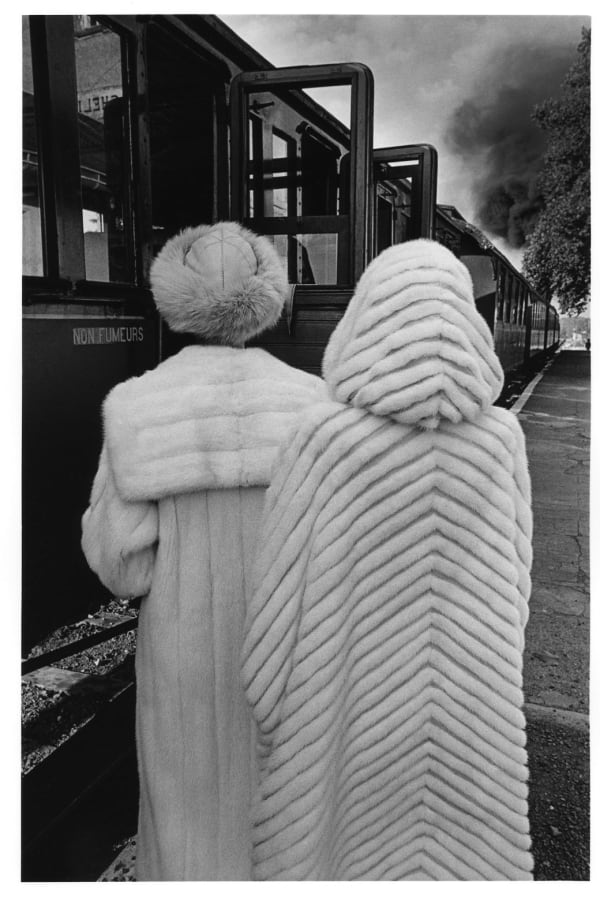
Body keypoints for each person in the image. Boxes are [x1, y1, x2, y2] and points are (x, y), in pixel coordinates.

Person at [242, 239, 534, 880]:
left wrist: (270, 706)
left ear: (365, 316)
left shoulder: (324, 440)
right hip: (469, 712)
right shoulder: (500, 441)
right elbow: (516, 590)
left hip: (342, 710)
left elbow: (275, 605)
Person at [81, 221, 327, 880]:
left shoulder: (136, 407)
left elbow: (121, 563)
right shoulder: (315, 405)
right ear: (266, 296)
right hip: (289, 651)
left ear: (174, 297)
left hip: (182, 658)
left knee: (184, 816)